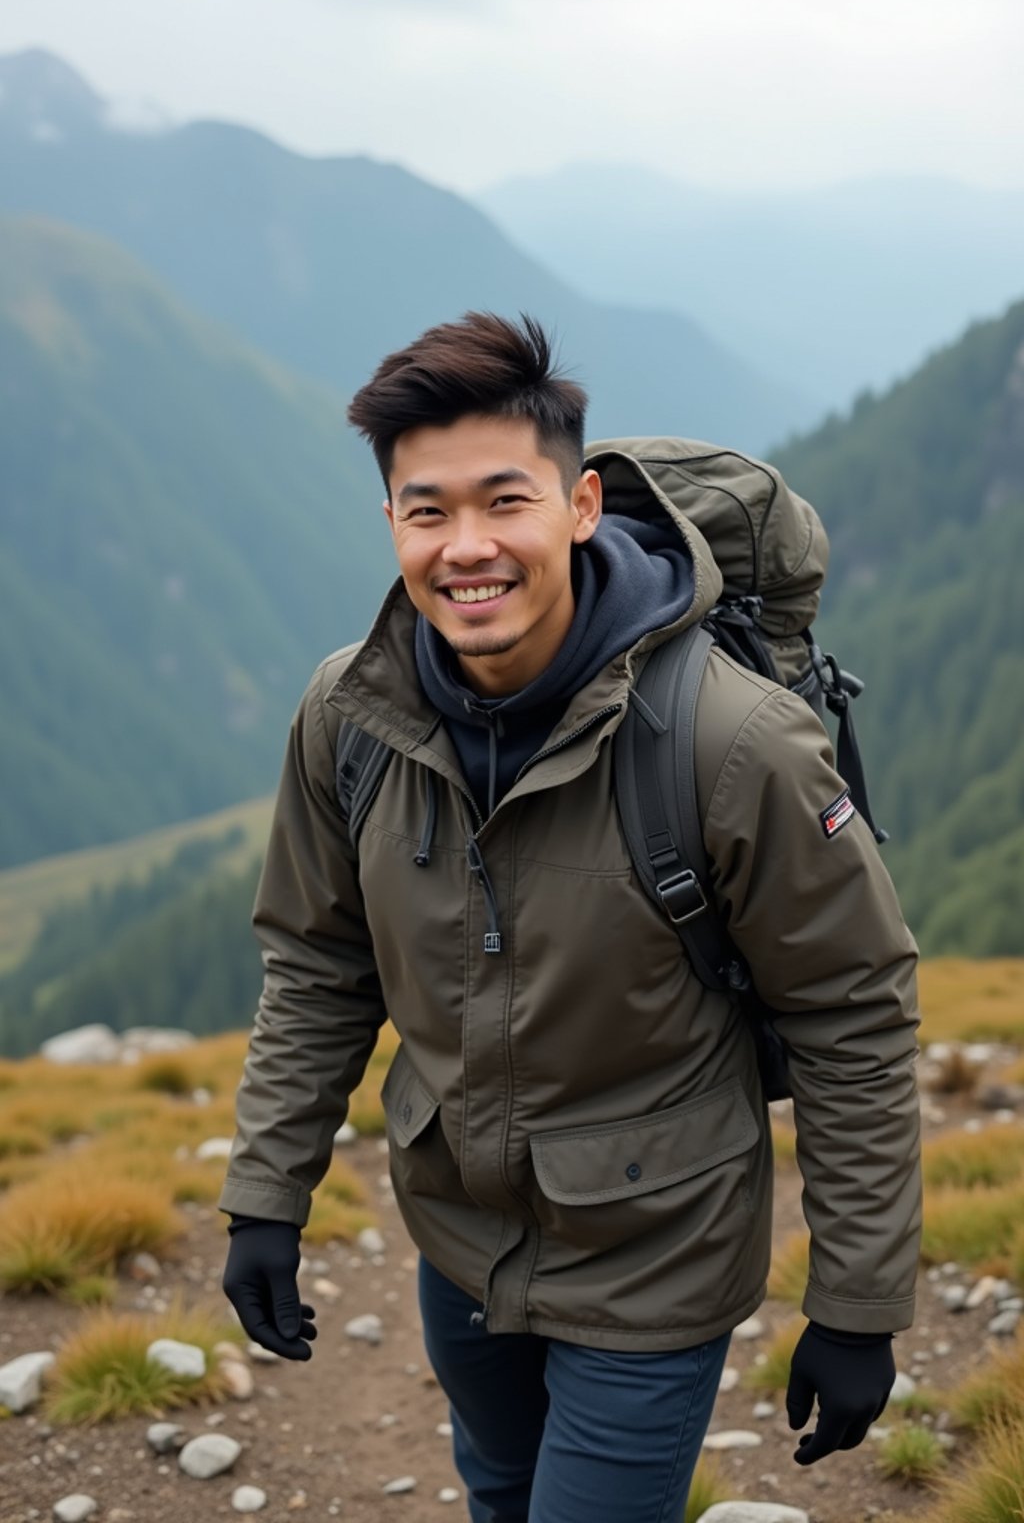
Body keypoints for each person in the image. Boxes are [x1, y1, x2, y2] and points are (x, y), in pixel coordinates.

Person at [220, 312, 922, 1522]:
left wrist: (857, 1302)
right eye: (428, 511)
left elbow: (851, 1015)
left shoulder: (729, 741)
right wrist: (264, 1197)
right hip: (460, 1233)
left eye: (506, 501)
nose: (467, 547)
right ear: (391, 522)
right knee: (497, 1490)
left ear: (582, 505)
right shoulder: (351, 715)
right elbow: (321, 966)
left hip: (658, 1247)